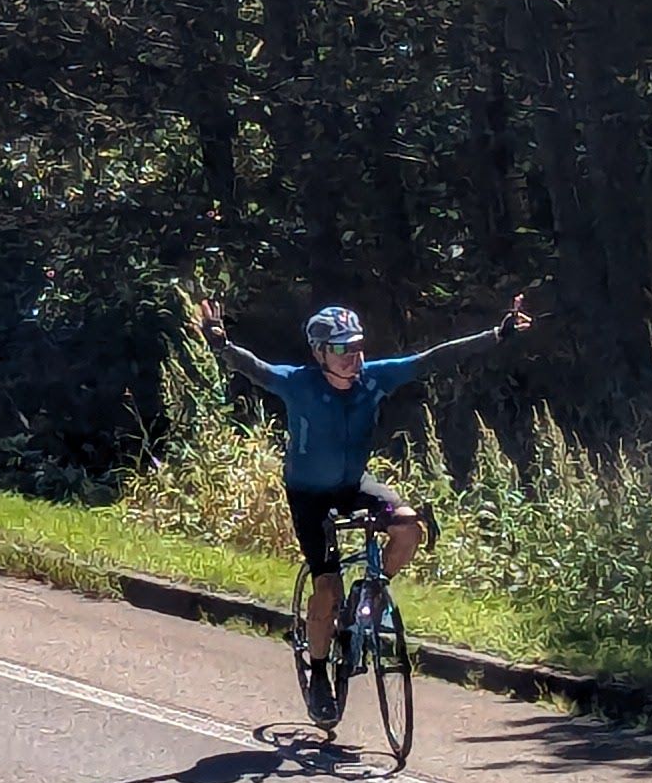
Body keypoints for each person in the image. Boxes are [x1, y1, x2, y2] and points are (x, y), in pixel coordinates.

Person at [190, 286, 531, 718]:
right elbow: (254, 369)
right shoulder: (299, 384)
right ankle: (318, 675)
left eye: (356, 347)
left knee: (409, 526)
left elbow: (432, 360)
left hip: (353, 484)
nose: (353, 357)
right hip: (309, 497)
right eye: (341, 350)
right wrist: (220, 343)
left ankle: (367, 601)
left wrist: (495, 335)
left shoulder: (375, 377)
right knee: (326, 588)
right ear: (319, 353)